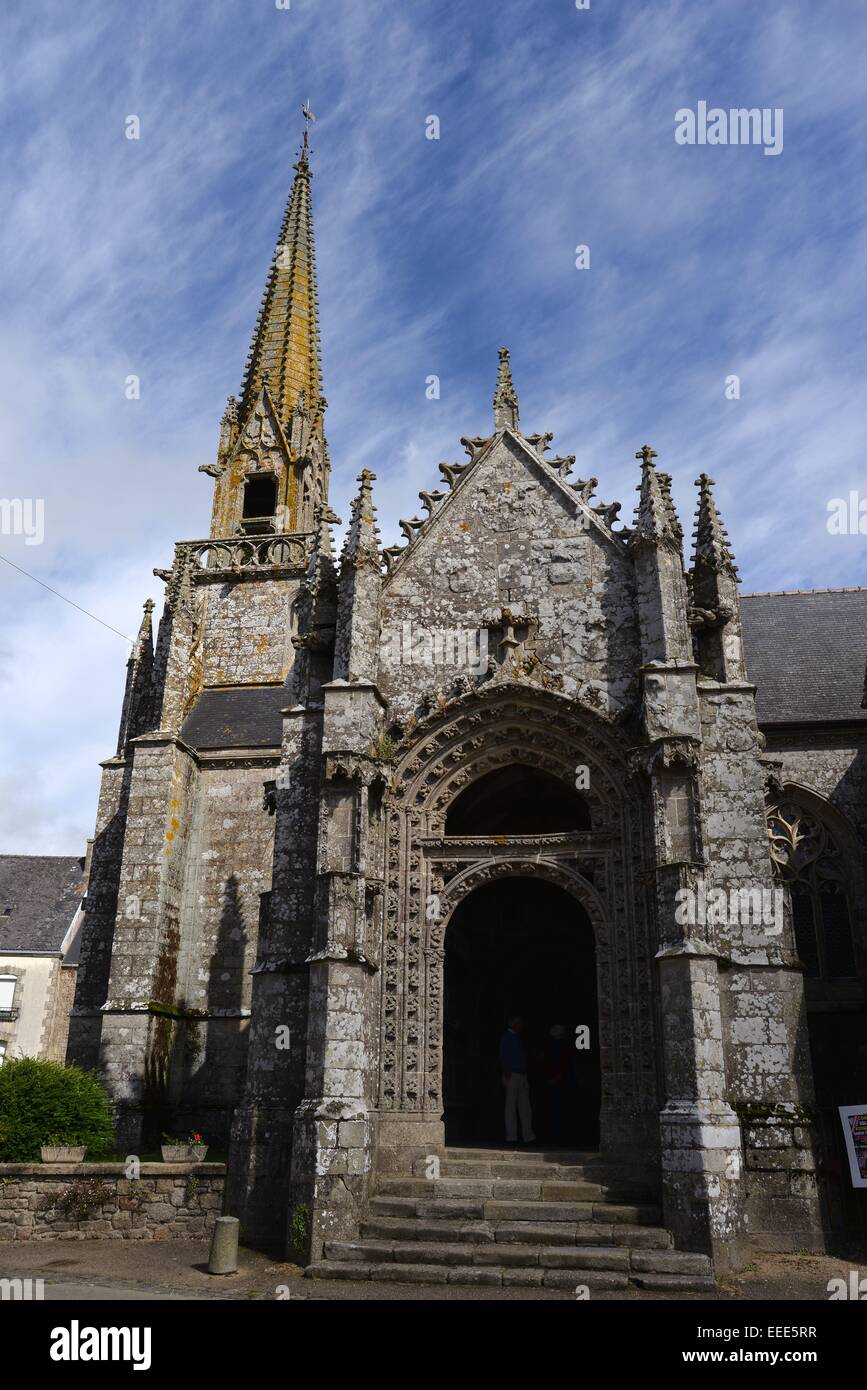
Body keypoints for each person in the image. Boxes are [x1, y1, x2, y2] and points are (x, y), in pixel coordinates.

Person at [499, 1015, 536, 1145]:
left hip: (522, 1075)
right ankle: (511, 1137)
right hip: (512, 1075)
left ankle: (528, 1136)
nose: (521, 1026)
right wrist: (506, 1072)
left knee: (525, 1107)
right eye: (519, 1023)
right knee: (511, 1107)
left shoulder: (517, 1038)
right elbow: (503, 1056)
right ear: (513, 1024)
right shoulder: (507, 1038)